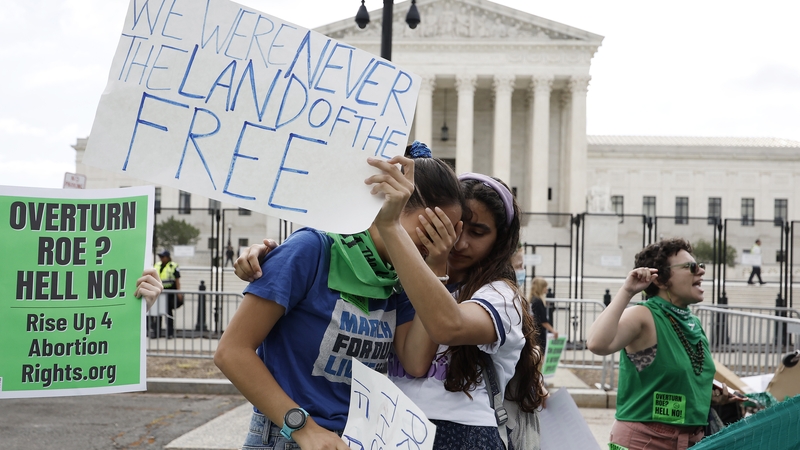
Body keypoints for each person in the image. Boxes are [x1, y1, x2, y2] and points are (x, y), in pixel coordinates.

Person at [214, 145, 465, 450]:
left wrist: (436, 267)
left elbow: (414, 361)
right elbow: (231, 351)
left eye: (448, 235)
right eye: (431, 229)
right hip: (291, 436)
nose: (439, 242)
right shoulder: (310, 249)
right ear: (392, 204)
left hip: (354, 440)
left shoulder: (400, 278)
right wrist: (303, 427)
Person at [376, 172, 546, 449]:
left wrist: (434, 267)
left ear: (500, 241)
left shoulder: (501, 296)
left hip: (464, 433)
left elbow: (447, 326)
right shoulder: (403, 279)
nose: (460, 242)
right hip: (397, 426)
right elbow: (415, 362)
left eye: (477, 232)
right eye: (452, 227)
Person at [586, 238, 742, 450]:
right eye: (691, 267)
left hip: (693, 440)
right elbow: (597, 343)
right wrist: (627, 290)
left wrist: (711, 397)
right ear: (659, 280)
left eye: (700, 265)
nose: (701, 272)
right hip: (646, 441)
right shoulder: (645, 315)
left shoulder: (692, 322)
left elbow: (678, 378)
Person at [150, 250, 181, 339]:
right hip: (159, 293)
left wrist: (178, 292)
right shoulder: (157, 265)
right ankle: (156, 333)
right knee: (157, 314)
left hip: (169, 293)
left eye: (163, 257)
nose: (161, 258)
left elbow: (177, 280)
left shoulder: (173, 266)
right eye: (160, 257)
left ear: (167, 257)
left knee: (168, 314)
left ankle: (170, 333)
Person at [529, 277, 558, 354]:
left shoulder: (532, 299)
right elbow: (542, 320)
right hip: (539, 332)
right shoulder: (538, 301)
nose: (546, 289)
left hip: (533, 331)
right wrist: (553, 331)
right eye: (545, 287)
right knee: (541, 355)